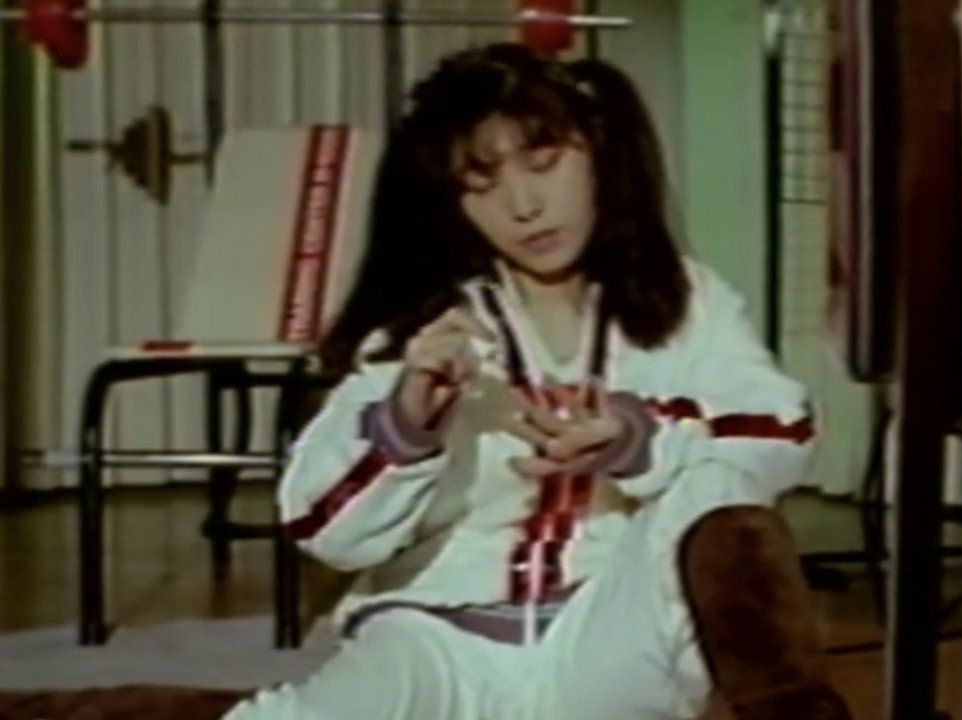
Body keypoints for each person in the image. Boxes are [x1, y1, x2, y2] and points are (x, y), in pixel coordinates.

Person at [224, 43, 854, 720]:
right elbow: (322, 530)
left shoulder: (687, 303)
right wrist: (405, 427)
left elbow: (782, 436)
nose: (523, 205)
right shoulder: (422, 330)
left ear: (597, 151)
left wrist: (636, 439)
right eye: (481, 181)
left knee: (717, 491)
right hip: (437, 641)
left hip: (610, 645)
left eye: (544, 162)